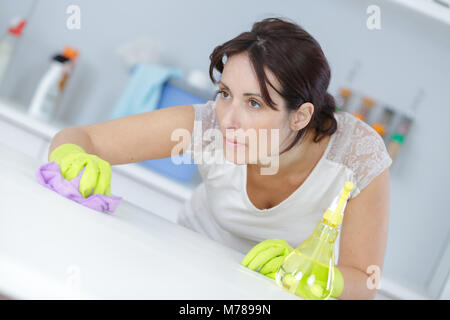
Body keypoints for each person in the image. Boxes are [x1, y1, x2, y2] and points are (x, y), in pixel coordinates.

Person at [48, 17, 392, 300]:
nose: (228, 119)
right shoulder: (211, 122)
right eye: (225, 94)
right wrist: (72, 158)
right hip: (183, 267)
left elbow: (366, 280)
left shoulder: (356, 155)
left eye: (254, 103)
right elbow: (83, 137)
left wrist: (322, 275)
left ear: (300, 116)